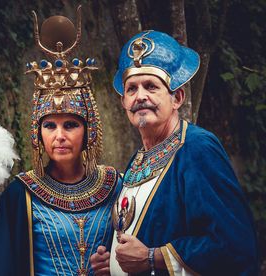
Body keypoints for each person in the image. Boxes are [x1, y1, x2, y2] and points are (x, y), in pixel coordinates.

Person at [90, 30, 258, 275]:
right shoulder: (137, 160)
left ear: (177, 98)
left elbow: (234, 245)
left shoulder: (197, 148)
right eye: (132, 89)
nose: (140, 97)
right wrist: (113, 266)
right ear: (124, 102)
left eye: (151, 86)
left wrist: (151, 257)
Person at [0, 7, 122, 276]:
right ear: (37, 132)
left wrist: (115, 265)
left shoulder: (117, 186)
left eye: (70, 124)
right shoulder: (21, 195)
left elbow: (140, 256)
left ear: (88, 130)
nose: (60, 136)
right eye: (50, 125)